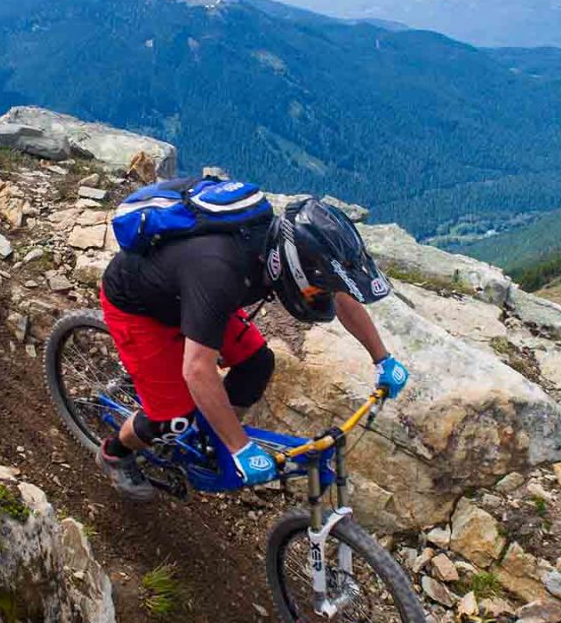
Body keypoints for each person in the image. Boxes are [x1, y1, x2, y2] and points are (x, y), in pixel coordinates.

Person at [96, 196, 410, 498]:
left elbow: (340, 294)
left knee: (257, 364)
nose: (317, 295)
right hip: (140, 307)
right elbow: (197, 369)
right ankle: (115, 453)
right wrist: (240, 447)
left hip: (192, 296)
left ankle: (211, 438)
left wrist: (382, 359)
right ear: (293, 270)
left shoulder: (279, 249)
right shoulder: (220, 272)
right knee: (172, 418)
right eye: (314, 289)